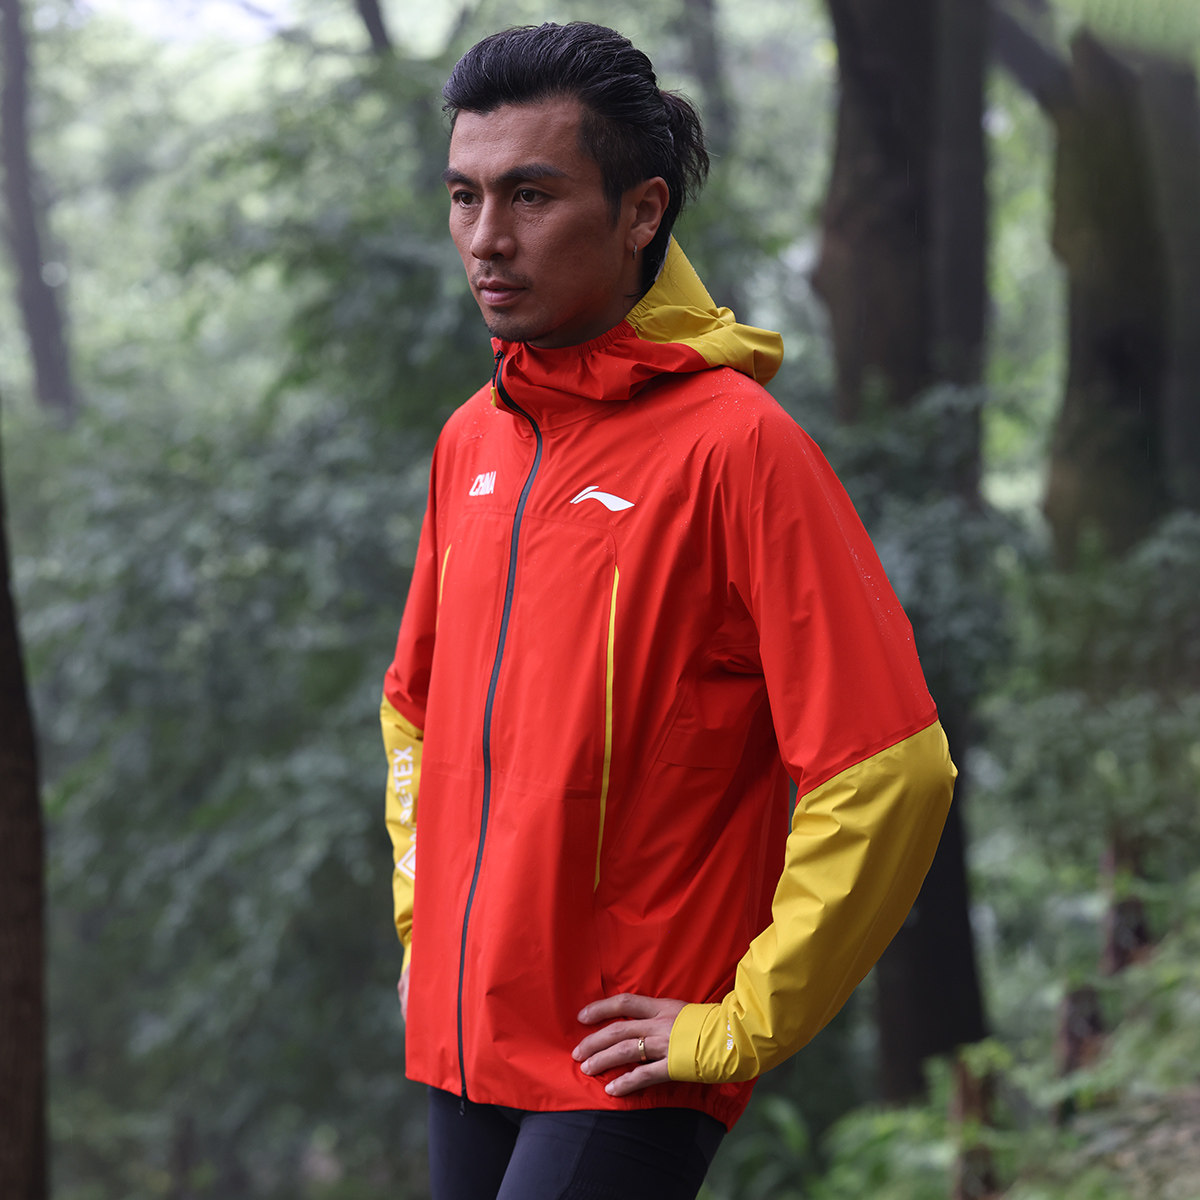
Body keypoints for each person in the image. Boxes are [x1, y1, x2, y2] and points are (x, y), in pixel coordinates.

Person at [381, 21, 956, 1200]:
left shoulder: (740, 448)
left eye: (531, 195)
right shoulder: (472, 442)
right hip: (463, 1034)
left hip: (622, 1056)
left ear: (642, 212)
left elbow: (888, 766)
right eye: (464, 196)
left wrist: (745, 1017)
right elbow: (414, 716)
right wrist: (422, 923)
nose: (487, 239)